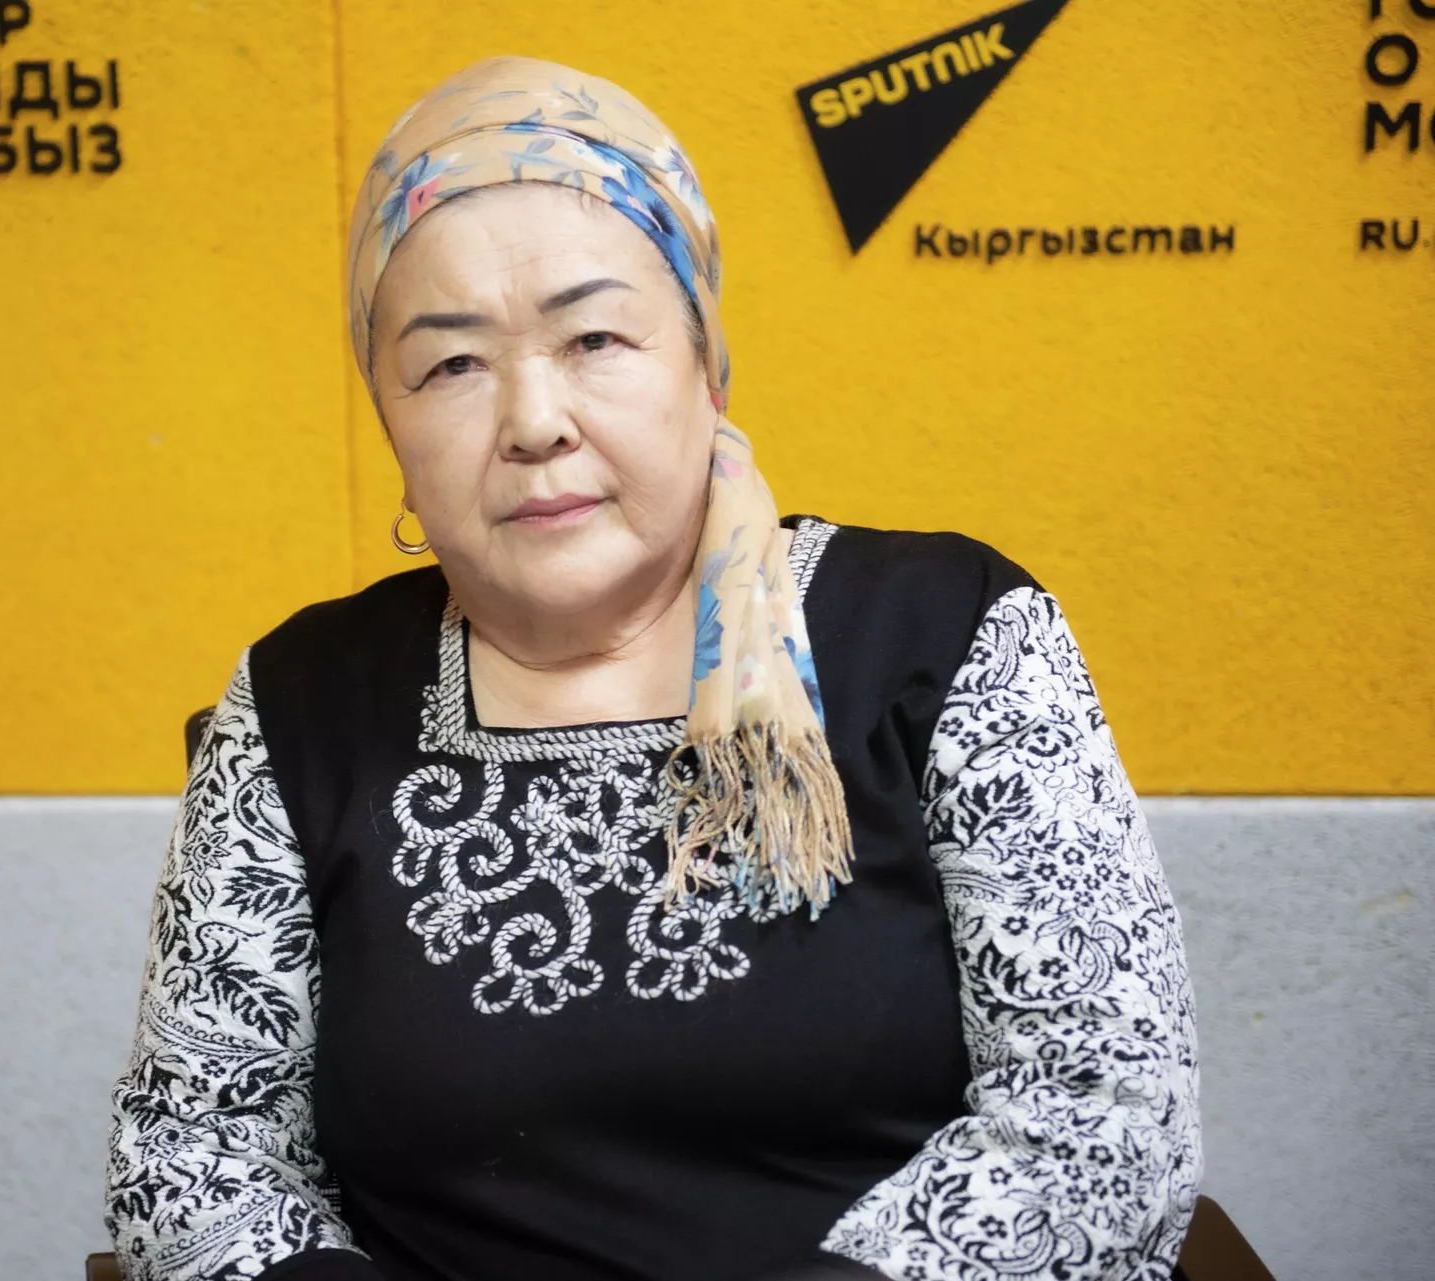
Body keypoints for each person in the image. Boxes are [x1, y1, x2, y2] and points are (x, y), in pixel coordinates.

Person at [106, 56, 1200, 1281]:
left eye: (594, 337)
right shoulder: (304, 700)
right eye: (451, 364)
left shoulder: (947, 635)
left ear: (706, 365)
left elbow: (1103, 1117)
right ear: (389, 417)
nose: (533, 421)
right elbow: (190, 1154)